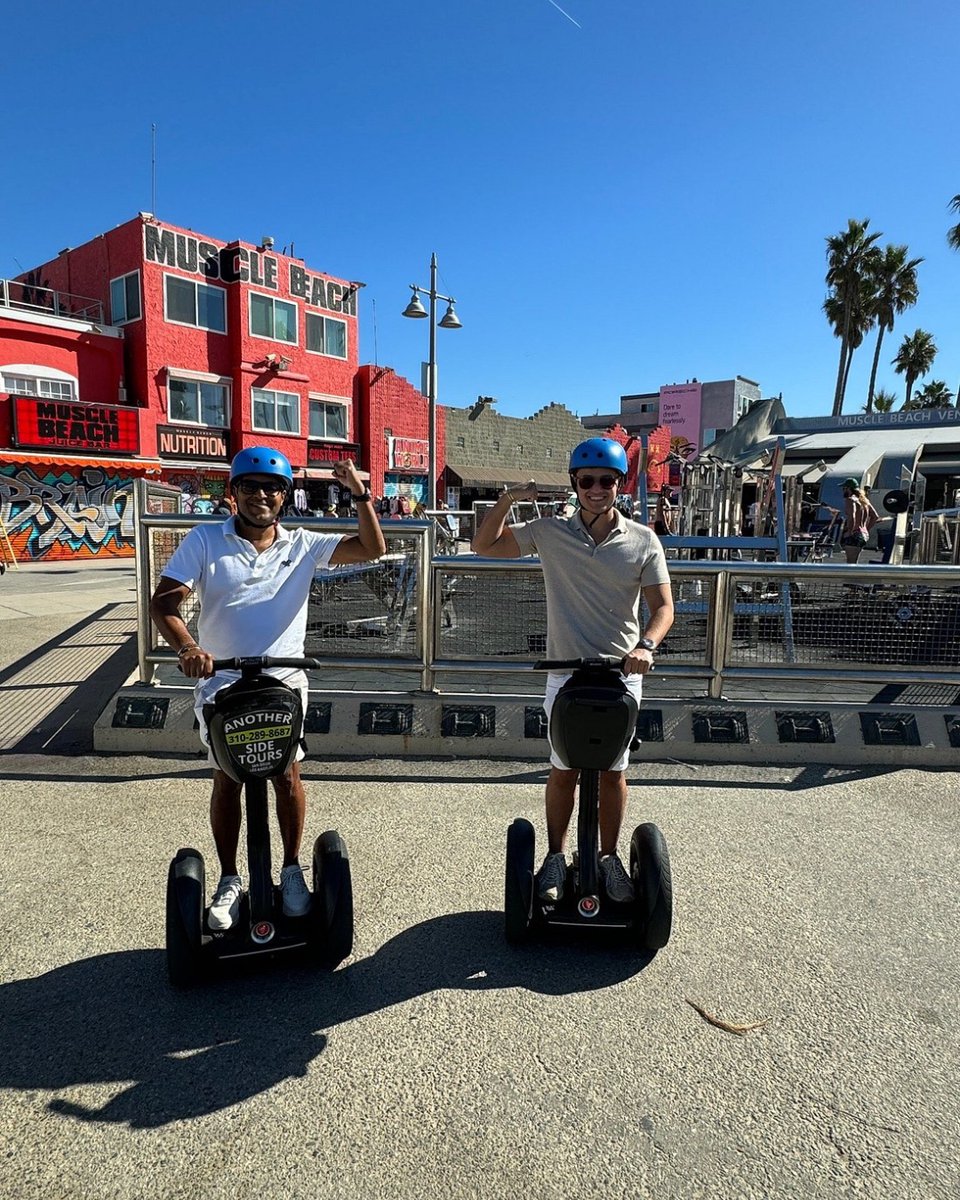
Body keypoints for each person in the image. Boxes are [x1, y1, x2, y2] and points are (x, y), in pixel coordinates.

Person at [149, 446, 386, 932]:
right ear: (234, 493)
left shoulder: (302, 544)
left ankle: (292, 868)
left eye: (273, 488)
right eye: (251, 486)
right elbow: (164, 603)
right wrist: (188, 646)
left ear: (285, 496)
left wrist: (359, 492)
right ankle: (230, 877)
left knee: (287, 775)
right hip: (222, 681)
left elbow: (371, 548)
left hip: (283, 681)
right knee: (228, 778)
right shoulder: (205, 540)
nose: (262, 495)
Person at [471, 437, 674, 903]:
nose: (597, 489)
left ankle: (608, 857)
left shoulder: (643, 540)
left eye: (606, 481)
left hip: (621, 673)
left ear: (619, 485)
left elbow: (663, 607)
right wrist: (508, 499)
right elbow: (483, 545)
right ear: (575, 483)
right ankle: (555, 856)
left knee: (613, 772)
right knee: (563, 768)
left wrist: (646, 645)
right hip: (565, 673)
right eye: (587, 481)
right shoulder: (548, 532)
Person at [840, 477, 879, 564]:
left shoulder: (851, 500)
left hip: (855, 533)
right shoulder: (865, 501)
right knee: (854, 563)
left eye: (844, 488)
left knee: (850, 563)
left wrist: (850, 532)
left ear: (848, 489)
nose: (843, 491)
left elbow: (852, 517)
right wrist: (866, 529)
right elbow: (875, 517)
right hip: (863, 534)